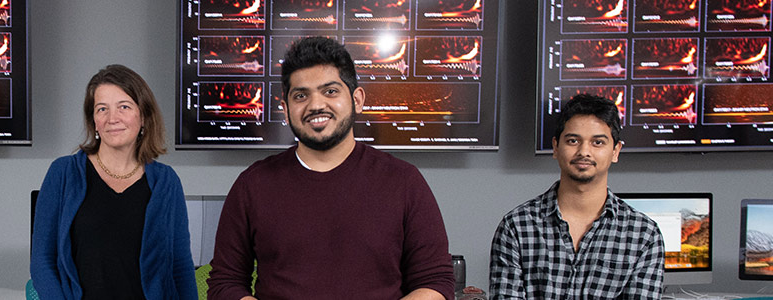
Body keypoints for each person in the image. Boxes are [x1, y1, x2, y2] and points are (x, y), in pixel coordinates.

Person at [207, 36, 454, 300]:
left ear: (357, 99)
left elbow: (435, 282)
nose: (315, 105)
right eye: (301, 95)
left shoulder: (404, 181)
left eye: (331, 91)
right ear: (285, 109)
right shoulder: (252, 185)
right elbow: (225, 283)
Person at [30, 64, 196, 299]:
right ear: (94, 121)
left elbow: (180, 267)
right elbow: (42, 262)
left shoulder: (166, 182)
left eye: (124, 107)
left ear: (144, 117)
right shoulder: (63, 173)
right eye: (102, 109)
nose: (112, 118)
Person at [490, 94, 664, 299]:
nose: (584, 152)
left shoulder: (643, 235)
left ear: (615, 151)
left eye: (598, 142)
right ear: (555, 147)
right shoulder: (517, 226)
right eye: (573, 140)